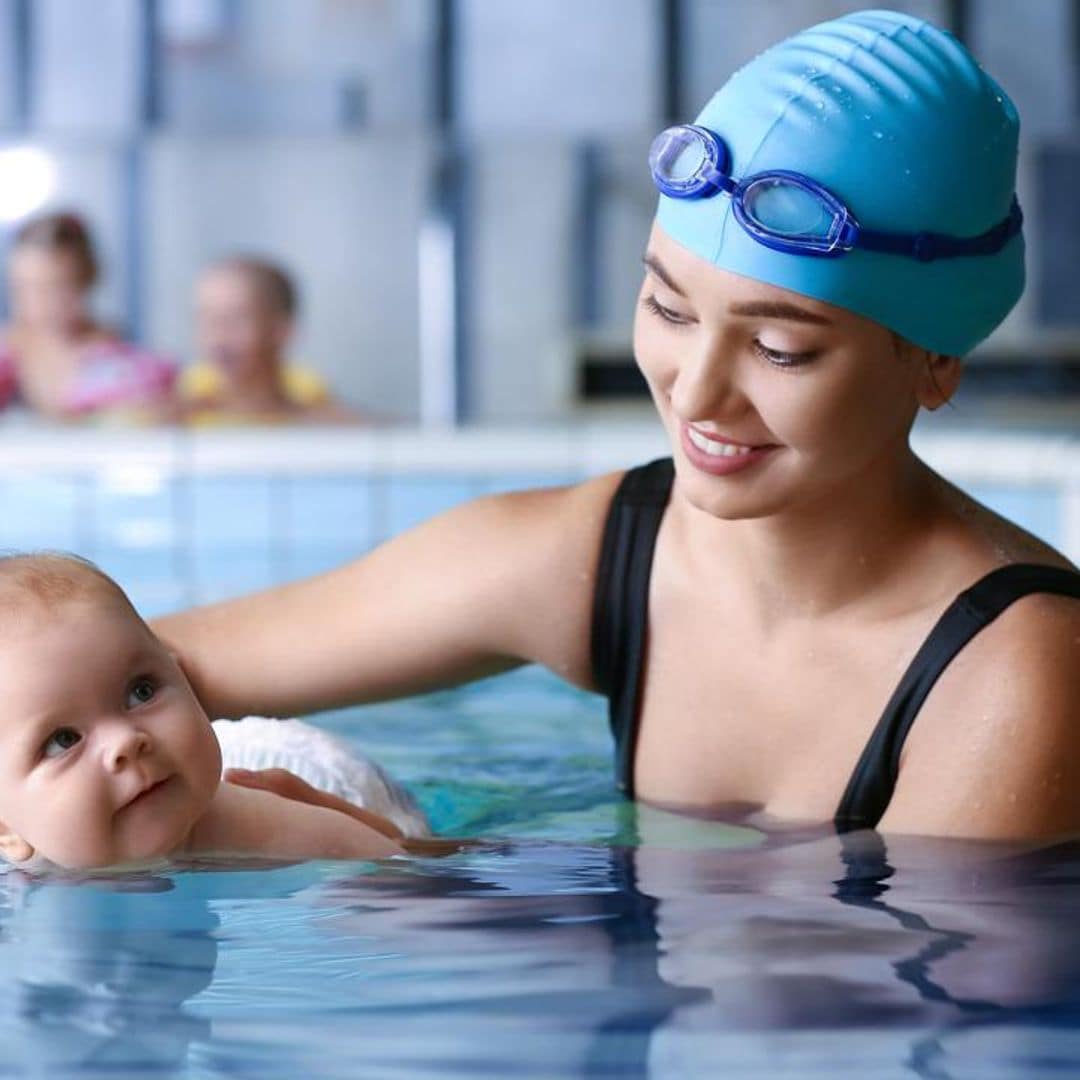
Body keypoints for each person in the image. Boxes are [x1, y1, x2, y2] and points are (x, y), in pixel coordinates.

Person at [157, 10, 1079, 843]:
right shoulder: (604, 556)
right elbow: (125, 668)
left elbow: (847, 1007)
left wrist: (389, 868)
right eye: (670, 311)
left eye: (781, 349)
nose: (696, 393)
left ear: (935, 360)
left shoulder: (1017, 677)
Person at [0, 553, 437, 874]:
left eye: (142, 691)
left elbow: (416, 881)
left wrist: (394, 857)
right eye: (63, 740)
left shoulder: (270, 830)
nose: (126, 742)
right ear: (6, 829)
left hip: (313, 774)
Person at [0, 211, 177, 421]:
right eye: (24, 287)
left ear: (87, 279)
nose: (38, 303)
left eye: (54, 287)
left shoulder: (124, 365)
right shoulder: (8, 354)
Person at [181, 256, 355, 425]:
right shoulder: (184, 395)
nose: (218, 335)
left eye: (237, 320)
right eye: (205, 319)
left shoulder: (311, 398)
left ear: (283, 330)